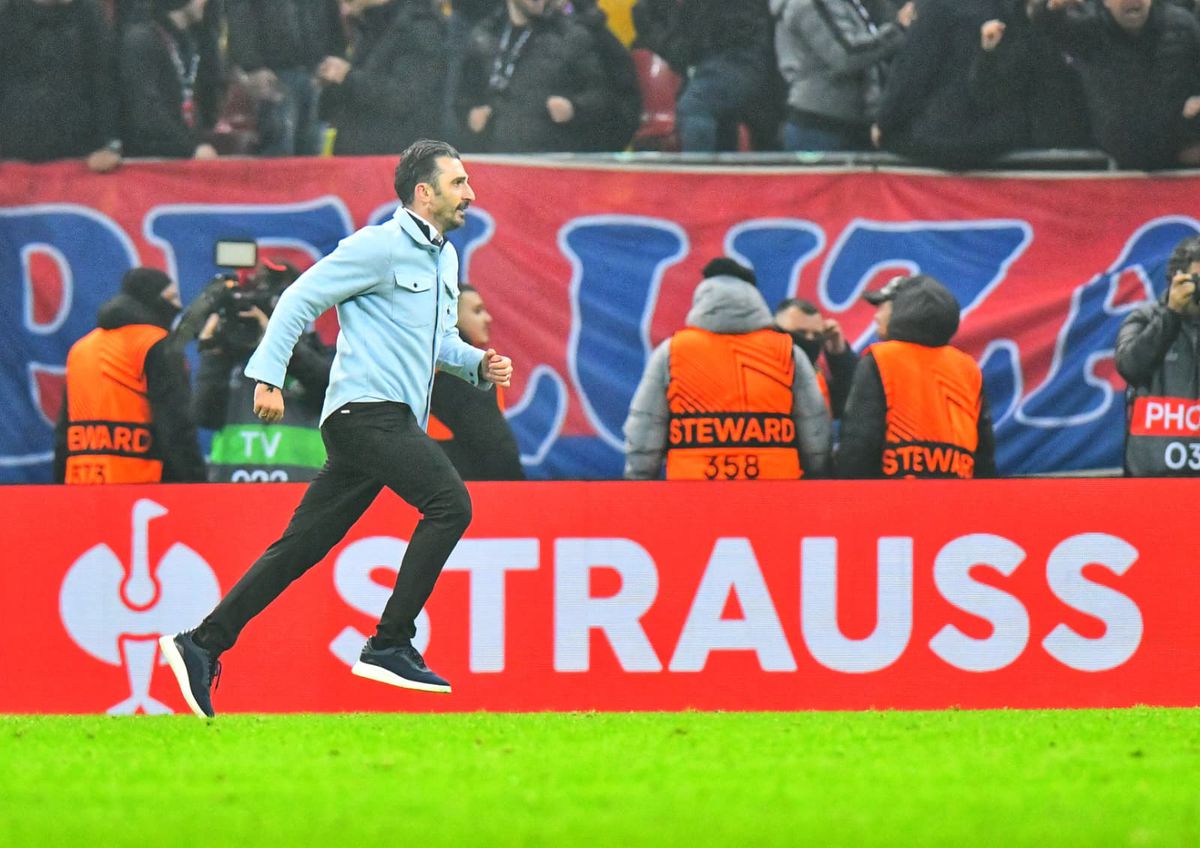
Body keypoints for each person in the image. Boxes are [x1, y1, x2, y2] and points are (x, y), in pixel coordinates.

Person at [160, 140, 513, 718]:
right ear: (424, 193)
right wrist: (267, 378)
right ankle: (390, 642)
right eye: (458, 183)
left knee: (301, 547)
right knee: (451, 506)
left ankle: (201, 643)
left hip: (381, 421)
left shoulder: (445, 259)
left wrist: (477, 363)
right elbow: (299, 298)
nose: (470, 193)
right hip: (365, 414)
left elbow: (439, 343)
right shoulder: (376, 246)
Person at [623, 257, 832, 480]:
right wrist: (817, 476)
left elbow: (645, 425)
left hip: (691, 493)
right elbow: (815, 428)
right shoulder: (788, 353)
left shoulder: (672, 352)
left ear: (702, 299)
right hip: (776, 491)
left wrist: (639, 478)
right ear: (754, 300)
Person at [53, 268, 206, 484]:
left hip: (82, 482)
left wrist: (60, 488)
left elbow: (63, 433)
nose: (177, 306)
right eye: (170, 297)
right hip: (144, 485)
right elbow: (176, 425)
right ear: (151, 299)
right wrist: (196, 485)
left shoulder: (82, 348)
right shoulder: (157, 344)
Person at [837, 274, 996, 478]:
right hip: (957, 498)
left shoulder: (881, 359)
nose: (876, 316)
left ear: (902, 310)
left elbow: (859, 443)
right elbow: (984, 453)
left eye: (882, 307)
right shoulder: (966, 367)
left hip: (892, 498)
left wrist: (848, 499)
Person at [192, 259, 335, 482]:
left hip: (302, 488)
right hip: (234, 488)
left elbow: (326, 391)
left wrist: (279, 341)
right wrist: (214, 353)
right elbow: (205, 415)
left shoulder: (315, 355)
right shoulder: (231, 357)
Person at [1030, 0, 1200, 170]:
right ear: (1105, 2)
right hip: (1120, 158)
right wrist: (1050, 6)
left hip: (1181, 154)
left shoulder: (1181, 26)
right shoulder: (1089, 30)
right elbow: (1044, 25)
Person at [874, 0, 1027, 168]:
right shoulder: (1001, 8)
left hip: (946, 134)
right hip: (1001, 132)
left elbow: (913, 70)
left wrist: (884, 121)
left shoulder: (937, 7)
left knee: (883, 139)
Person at [454, 0, 613, 152]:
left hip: (548, 162)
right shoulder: (483, 36)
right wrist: (469, 115)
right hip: (497, 161)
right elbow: (463, 97)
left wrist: (574, 108)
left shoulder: (571, 36)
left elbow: (601, 96)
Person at [632, 0, 778, 152]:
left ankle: (698, 173)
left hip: (737, 55)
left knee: (695, 107)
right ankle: (720, 171)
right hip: (726, 56)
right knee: (721, 117)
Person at [770, 0, 914, 152]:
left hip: (849, 123)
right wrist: (899, 29)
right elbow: (845, 56)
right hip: (821, 126)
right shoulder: (812, 4)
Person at [0, 0, 123, 171]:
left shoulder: (89, 13)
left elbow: (105, 85)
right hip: (12, 156)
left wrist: (110, 145)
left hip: (80, 155)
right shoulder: (6, 14)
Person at [1115, 235, 1200, 475]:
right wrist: (1171, 314)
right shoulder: (1144, 319)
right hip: (1152, 482)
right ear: (1177, 279)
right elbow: (1129, 367)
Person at [317, 0, 447, 155]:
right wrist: (333, 84)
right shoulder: (370, 25)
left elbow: (403, 95)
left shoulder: (419, 26)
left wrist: (348, 77)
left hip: (391, 160)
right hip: (356, 157)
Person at [429, 284, 525, 480]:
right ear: (451, 318)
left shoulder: (437, 375)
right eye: (477, 311)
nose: (488, 318)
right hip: (480, 492)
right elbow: (498, 449)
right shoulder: (465, 380)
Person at [225, 0, 345, 156]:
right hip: (276, 72)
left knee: (313, 151)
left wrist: (337, 59)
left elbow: (331, 12)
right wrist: (252, 66)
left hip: (317, 71)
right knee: (279, 152)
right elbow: (240, 11)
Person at [119, 0, 222, 159]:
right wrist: (190, 149)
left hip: (184, 155)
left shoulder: (189, 42)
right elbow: (147, 111)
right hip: (150, 163)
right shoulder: (141, 40)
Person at [774, 297, 858, 418]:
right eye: (801, 333)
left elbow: (852, 403)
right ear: (777, 330)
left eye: (816, 335)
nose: (809, 339)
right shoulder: (757, 372)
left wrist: (839, 354)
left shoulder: (817, 380)